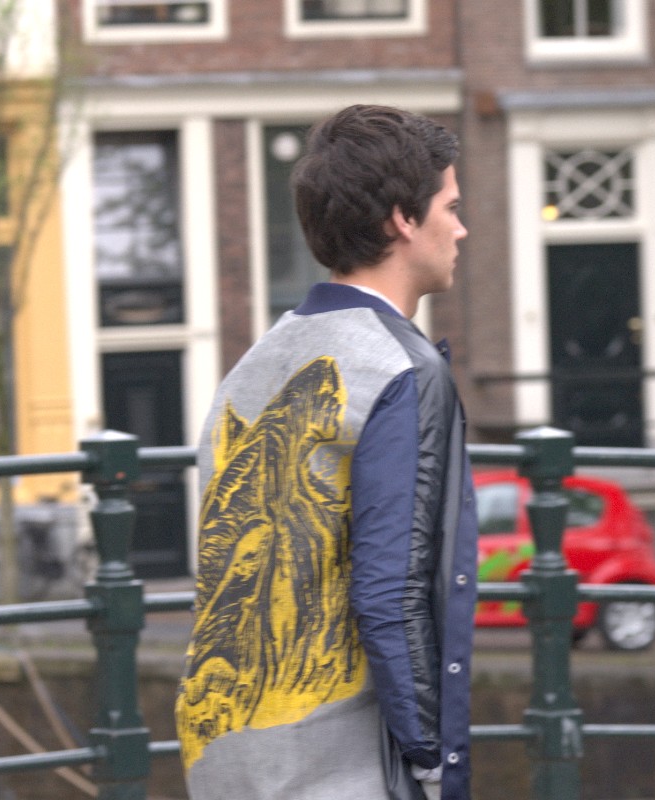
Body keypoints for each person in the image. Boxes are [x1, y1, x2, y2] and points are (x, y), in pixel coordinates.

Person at [177, 104, 478, 800]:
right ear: (403, 219)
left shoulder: (254, 365)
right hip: (337, 764)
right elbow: (393, 591)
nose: (461, 228)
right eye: (451, 207)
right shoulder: (401, 370)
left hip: (223, 754)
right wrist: (434, 763)